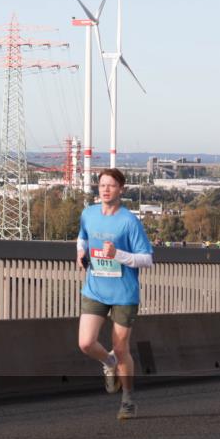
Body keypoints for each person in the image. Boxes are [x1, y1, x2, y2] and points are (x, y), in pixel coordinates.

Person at [77, 168, 154, 420]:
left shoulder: (129, 221)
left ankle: (128, 400)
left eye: (111, 186)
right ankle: (108, 363)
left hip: (124, 293)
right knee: (86, 343)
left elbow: (147, 259)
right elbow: (83, 238)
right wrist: (80, 252)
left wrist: (117, 255)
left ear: (121, 189)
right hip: (95, 288)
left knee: (121, 349)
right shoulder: (88, 214)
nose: (106, 190)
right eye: (102, 185)